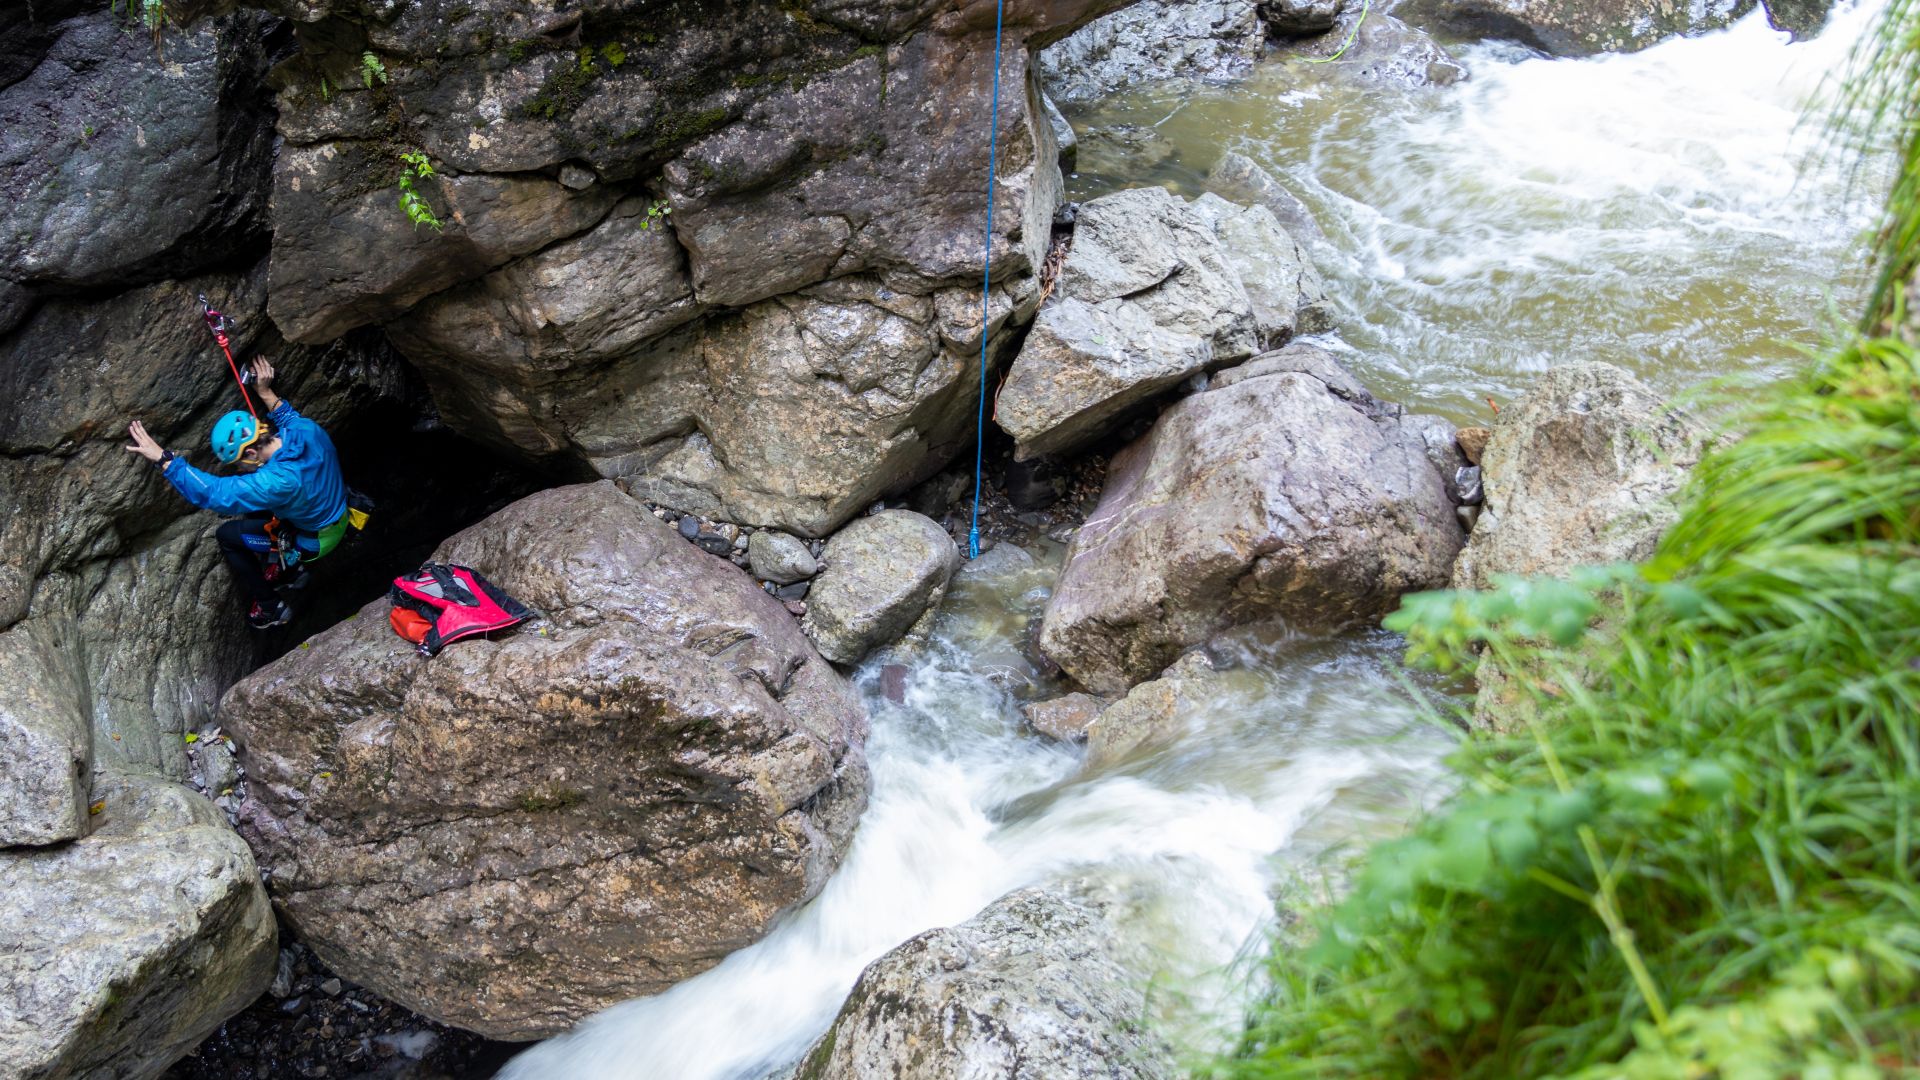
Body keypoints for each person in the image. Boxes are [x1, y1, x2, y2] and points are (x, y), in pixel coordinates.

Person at [125, 357, 348, 629]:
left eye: (240, 463)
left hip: (313, 540)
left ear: (251, 453)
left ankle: (271, 606)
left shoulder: (274, 482)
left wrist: (164, 459)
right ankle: (290, 572)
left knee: (227, 536)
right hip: (334, 511)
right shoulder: (305, 429)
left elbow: (214, 493)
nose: (240, 468)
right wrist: (265, 391)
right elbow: (287, 416)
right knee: (257, 507)